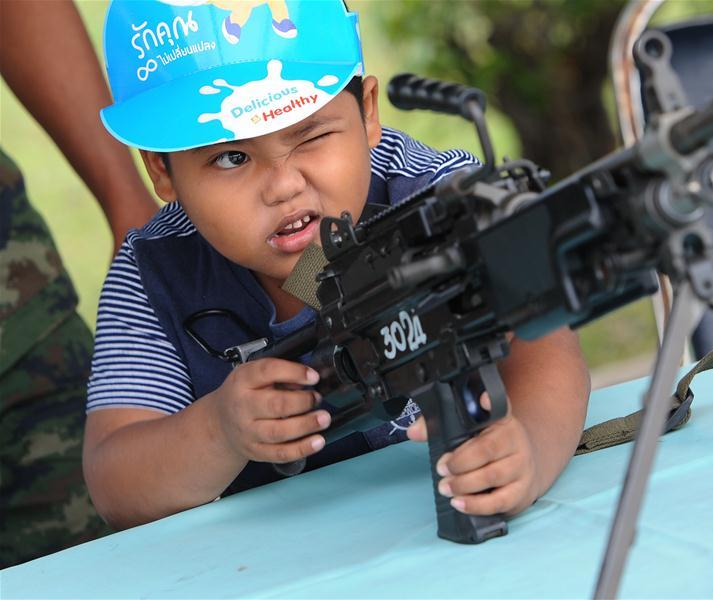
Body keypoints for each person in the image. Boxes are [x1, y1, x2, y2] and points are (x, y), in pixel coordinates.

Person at [83, 0, 590, 530]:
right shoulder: (152, 273)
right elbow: (116, 481)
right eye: (230, 157)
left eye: (311, 134)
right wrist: (217, 431)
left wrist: (527, 448)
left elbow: (546, 347)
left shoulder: (438, 199)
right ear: (161, 173)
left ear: (368, 112)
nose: (283, 185)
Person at [0, 0, 158, 567]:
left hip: (18, 326)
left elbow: (122, 491)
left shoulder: (407, 179)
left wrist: (126, 200)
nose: (284, 186)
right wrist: (228, 427)